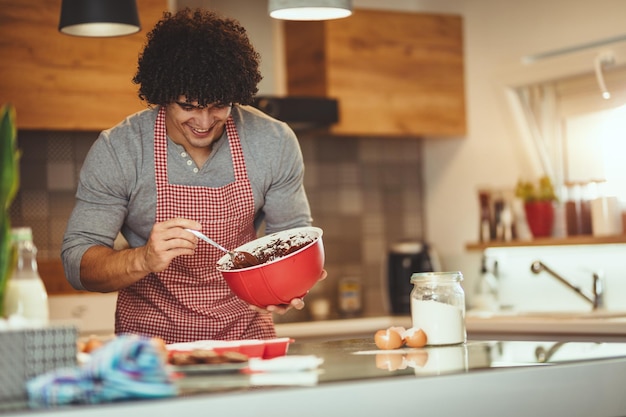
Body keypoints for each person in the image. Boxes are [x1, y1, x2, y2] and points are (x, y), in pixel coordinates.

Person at [62, 8, 322, 344]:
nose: (203, 121)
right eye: (188, 105)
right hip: (150, 349)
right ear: (162, 95)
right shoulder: (120, 149)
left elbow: (291, 239)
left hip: (245, 339)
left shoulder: (272, 141)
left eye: (218, 105)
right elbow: (77, 262)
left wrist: (289, 285)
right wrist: (144, 258)